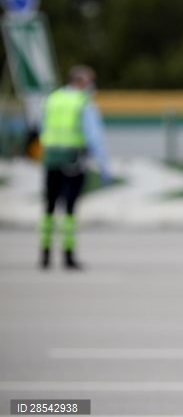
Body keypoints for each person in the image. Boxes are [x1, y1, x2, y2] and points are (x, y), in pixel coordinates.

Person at [38, 65, 111, 270]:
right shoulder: (82, 102)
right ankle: (68, 255)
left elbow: (42, 129)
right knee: (69, 209)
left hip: (51, 158)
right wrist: (104, 166)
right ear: (81, 81)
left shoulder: (52, 99)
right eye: (90, 82)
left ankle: (45, 255)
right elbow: (94, 137)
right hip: (73, 160)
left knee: (49, 207)